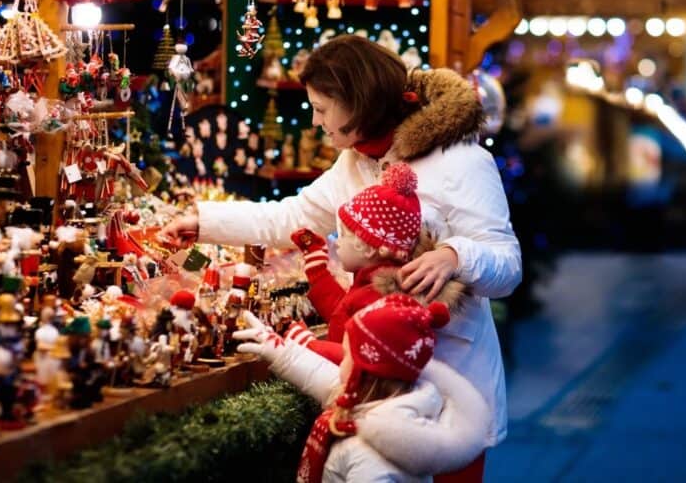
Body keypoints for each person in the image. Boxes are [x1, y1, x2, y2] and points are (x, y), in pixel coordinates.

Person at [162, 35, 522, 479]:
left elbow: (507, 264)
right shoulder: (353, 162)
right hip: (375, 389)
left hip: (450, 386)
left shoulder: (461, 161)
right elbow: (292, 216)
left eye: (322, 108)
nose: (315, 122)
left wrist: (454, 255)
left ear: (358, 102)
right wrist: (203, 221)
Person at [233, 294, 490, 482]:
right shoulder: (387, 405)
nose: (341, 361)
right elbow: (323, 377)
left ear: (365, 373)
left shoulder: (370, 454)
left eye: (347, 356)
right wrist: (280, 350)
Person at [289, 162, 468, 363]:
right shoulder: (371, 283)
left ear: (369, 247)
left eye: (345, 235)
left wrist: (307, 345)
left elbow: (356, 358)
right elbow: (343, 314)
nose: (337, 242)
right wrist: (318, 271)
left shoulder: (377, 299)